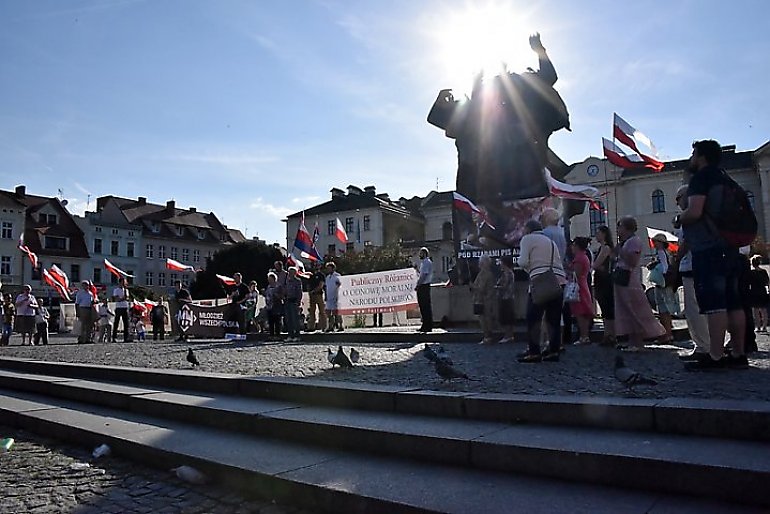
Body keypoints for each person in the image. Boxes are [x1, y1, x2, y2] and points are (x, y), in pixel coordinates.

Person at [678, 139, 748, 370]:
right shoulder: (727, 179)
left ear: (701, 156)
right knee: (734, 302)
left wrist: (680, 218)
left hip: (709, 247)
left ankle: (716, 355)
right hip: (731, 247)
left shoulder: (702, 178)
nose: (691, 158)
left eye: (693, 154)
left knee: (714, 303)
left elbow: (695, 212)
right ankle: (738, 353)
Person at [516, 219, 566, 363]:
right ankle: (553, 351)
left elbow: (523, 261)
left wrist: (524, 266)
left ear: (527, 229)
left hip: (540, 281)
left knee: (533, 318)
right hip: (559, 281)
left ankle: (534, 352)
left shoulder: (527, 239)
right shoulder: (550, 242)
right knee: (554, 319)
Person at [613, 216, 666, 351]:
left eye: (620, 227)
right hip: (621, 277)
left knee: (633, 309)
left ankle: (639, 341)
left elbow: (632, 261)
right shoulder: (626, 242)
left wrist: (621, 252)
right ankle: (632, 341)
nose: (618, 230)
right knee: (626, 309)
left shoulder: (634, 241)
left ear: (627, 228)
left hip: (629, 278)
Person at [673, 186, 710, 359]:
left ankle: (703, 345)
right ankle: (704, 344)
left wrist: (677, 257)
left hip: (691, 267)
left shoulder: (690, 217)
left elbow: (687, 242)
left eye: (678, 198)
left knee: (694, 310)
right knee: (696, 308)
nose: (677, 202)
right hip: (696, 267)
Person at [649, 233, 679, 343]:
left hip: (662, 283)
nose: (654, 243)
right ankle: (669, 332)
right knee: (666, 308)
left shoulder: (661, 252)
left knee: (663, 309)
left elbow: (664, 268)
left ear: (661, 243)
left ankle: (666, 334)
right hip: (667, 283)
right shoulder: (667, 253)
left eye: (656, 241)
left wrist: (656, 269)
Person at [592, 226, 616, 345]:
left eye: (598, 233)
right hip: (601, 278)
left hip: (604, 279)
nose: (596, 235)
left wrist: (596, 265)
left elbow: (596, 265)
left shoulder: (606, 248)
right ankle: (608, 334)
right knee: (605, 307)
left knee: (607, 307)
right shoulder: (602, 248)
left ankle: (610, 334)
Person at [569, 237, 595, 345]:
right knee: (584, 311)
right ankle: (585, 336)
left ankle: (584, 336)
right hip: (583, 284)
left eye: (574, 245)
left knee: (580, 312)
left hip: (579, 286)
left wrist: (569, 269)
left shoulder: (579, 258)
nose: (572, 247)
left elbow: (577, 273)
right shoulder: (584, 256)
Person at [471, 255, 499, 344]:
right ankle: (487, 336)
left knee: (485, 319)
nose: (479, 264)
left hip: (484, 300)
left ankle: (488, 337)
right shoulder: (484, 273)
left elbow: (481, 288)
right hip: (483, 299)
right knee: (485, 319)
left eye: (480, 262)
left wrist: (472, 286)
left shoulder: (485, 274)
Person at [496, 255, 516, 344]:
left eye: (501, 262)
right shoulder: (510, 272)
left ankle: (507, 335)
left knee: (506, 317)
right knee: (509, 317)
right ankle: (510, 335)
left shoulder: (507, 273)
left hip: (506, 297)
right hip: (510, 297)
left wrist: (496, 287)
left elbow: (504, 286)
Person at [747, 255, 769, 333]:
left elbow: (748, 283)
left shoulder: (751, 273)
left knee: (756, 311)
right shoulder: (763, 272)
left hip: (754, 292)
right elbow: (767, 282)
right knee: (763, 310)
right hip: (762, 292)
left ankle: (758, 326)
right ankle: (764, 326)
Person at [415, 247, 434, 333]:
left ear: (425, 253)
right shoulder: (424, 263)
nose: (419, 255)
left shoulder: (426, 262)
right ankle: (425, 325)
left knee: (425, 306)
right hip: (423, 285)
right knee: (423, 306)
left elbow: (424, 276)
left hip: (424, 286)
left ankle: (427, 325)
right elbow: (421, 274)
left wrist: (418, 284)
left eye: (421, 253)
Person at [284, 267, 303, 342]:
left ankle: (297, 335)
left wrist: (298, 301)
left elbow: (299, 292)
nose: (289, 274)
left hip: (294, 301)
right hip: (287, 300)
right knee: (289, 319)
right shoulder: (287, 281)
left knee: (295, 319)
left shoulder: (297, 281)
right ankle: (290, 335)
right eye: (289, 272)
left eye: (291, 272)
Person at [306, 262, 327, 332]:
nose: (316, 267)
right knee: (312, 311)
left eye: (317, 265)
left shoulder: (321, 275)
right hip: (312, 295)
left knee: (322, 310)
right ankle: (311, 326)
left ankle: (324, 326)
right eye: (315, 265)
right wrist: (309, 291)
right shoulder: (311, 275)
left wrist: (314, 291)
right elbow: (308, 284)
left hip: (319, 294)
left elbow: (321, 285)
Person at [324, 262, 343, 332]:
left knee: (337, 313)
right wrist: (325, 296)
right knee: (328, 313)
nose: (328, 270)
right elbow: (326, 287)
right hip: (329, 297)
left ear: (333, 268)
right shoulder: (327, 277)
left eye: (329, 268)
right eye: (327, 268)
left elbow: (340, 285)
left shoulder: (337, 276)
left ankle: (340, 326)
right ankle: (330, 326)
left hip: (336, 297)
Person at [264, 272, 283, 340]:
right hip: (269, 306)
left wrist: (276, 295)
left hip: (276, 305)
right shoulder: (268, 286)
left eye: (270, 279)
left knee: (277, 321)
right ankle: (271, 335)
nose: (269, 281)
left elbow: (281, 296)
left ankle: (278, 335)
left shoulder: (278, 286)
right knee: (270, 321)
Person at [111, 277, 131, 343]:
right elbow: (117, 299)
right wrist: (123, 298)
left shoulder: (126, 290)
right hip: (119, 307)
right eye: (122, 282)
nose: (123, 284)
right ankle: (114, 337)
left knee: (126, 323)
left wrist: (124, 297)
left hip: (125, 307)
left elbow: (127, 298)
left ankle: (126, 337)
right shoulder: (116, 290)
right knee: (116, 323)